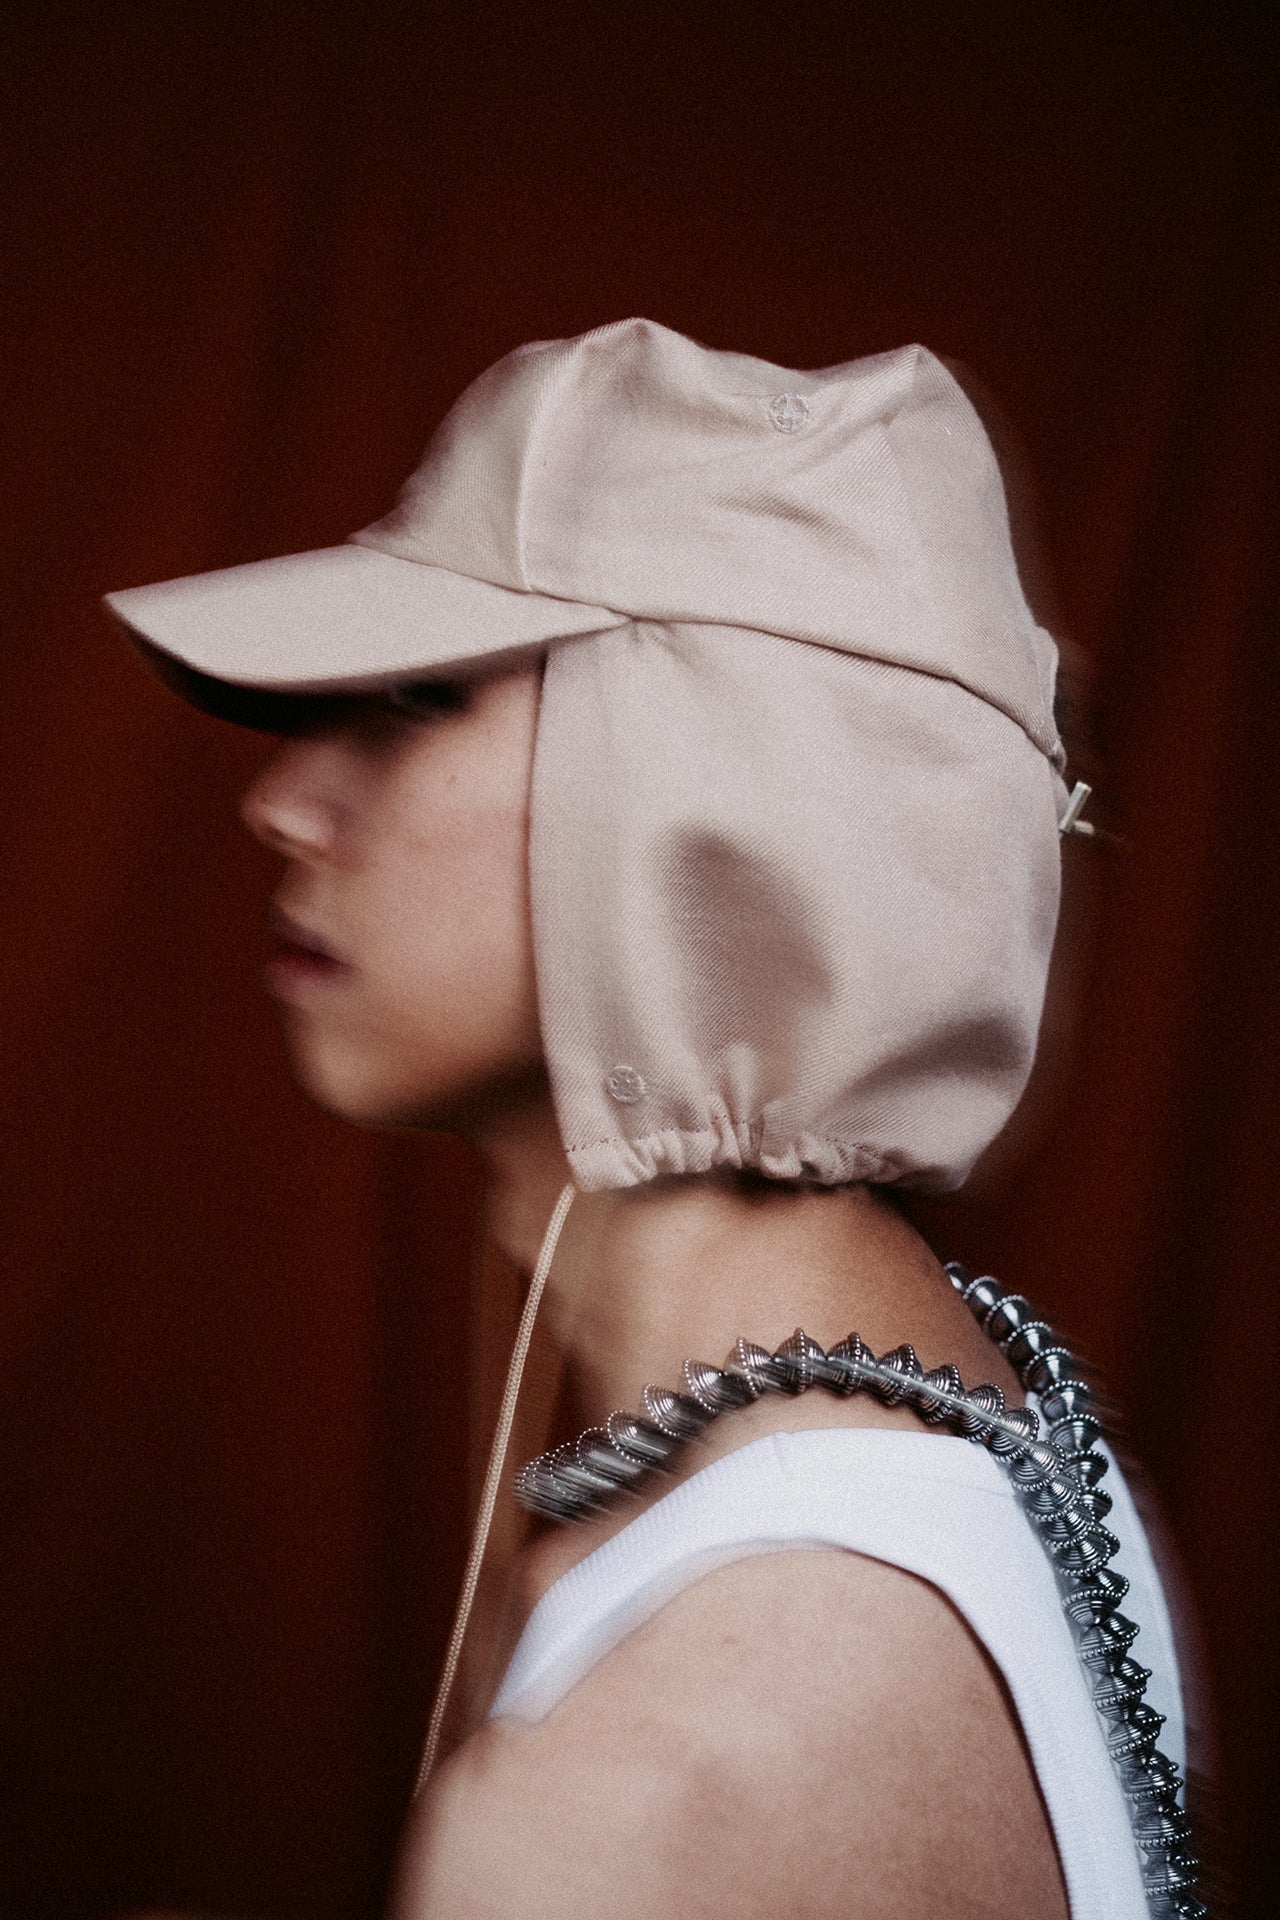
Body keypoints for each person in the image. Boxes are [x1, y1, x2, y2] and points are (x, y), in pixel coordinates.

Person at [106, 318, 1197, 1919]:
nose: (282, 801)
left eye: (416, 696)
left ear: (709, 794)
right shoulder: (1004, 1462)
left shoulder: (655, 1784)